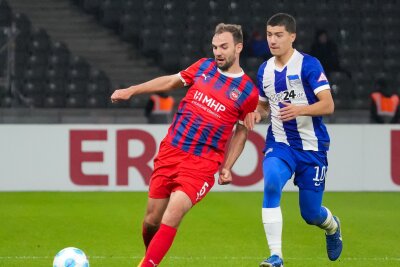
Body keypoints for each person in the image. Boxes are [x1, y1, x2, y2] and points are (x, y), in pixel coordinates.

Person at [111, 23, 258, 267]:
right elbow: (170, 81)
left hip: (202, 163)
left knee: (174, 212)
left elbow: (242, 132)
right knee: (151, 220)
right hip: (172, 150)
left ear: (238, 47)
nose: (218, 52)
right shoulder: (203, 67)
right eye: (214, 47)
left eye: (224, 46)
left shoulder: (248, 92)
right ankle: (151, 257)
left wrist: (228, 166)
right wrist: (132, 90)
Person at [244, 13, 343, 267]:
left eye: (278, 35)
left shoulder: (309, 65)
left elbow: (328, 105)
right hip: (280, 144)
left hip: (312, 148)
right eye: (269, 35)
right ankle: (276, 255)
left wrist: (299, 109)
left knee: (311, 214)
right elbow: (265, 106)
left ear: (292, 36)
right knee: (271, 183)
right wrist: (256, 113)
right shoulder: (264, 70)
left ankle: (332, 227)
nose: (273, 41)